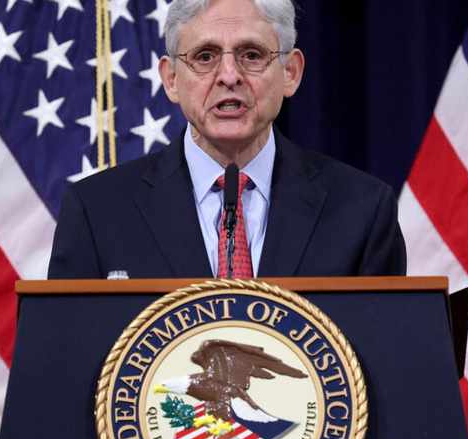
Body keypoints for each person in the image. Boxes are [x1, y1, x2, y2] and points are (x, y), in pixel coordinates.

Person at [47, 0, 406, 279]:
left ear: (290, 73)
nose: (229, 76)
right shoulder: (97, 213)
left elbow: (387, 362)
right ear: (171, 79)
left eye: (252, 55)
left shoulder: (362, 211)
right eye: (205, 57)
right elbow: (63, 363)